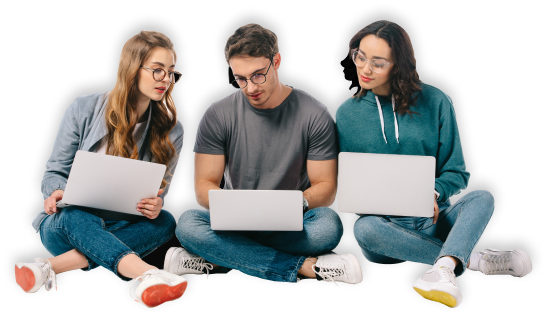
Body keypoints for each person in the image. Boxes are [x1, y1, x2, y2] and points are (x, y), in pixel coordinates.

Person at [335, 20, 533, 308]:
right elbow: (349, 182)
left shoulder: (437, 101)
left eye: (377, 63)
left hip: (437, 221)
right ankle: (470, 260)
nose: (364, 69)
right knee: (363, 229)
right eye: (360, 57)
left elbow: (457, 172)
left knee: (483, 197)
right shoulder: (346, 114)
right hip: (386, 233)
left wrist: (434, 191)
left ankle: (444, 266)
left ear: (398, 64)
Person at [163, 23, 363, 286]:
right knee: (188, 223)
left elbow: (325, 188)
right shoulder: (216, 114)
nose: (250, 88)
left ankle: (217, 258)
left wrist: (296, 204)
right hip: (236, 221)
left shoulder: (315, 114)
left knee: (328, 226)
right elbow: (203, 188)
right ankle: (302, 266)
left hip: (293, 219)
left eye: (258, 75)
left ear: (276, 61)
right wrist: (234, 207)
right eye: (240, 79)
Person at [15, 30, 187, 309]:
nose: (166, 80)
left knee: (165, 220)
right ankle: (147, 274)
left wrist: (156, 205)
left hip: (122, 223)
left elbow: (159, 192)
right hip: (67, 224)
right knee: (79, 216)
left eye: (171, 72)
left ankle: (49, 267)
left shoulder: (172, 130)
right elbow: (55, 170)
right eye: (157, 71)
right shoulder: (84, 107)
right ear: (133, 69)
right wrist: (56, 191)